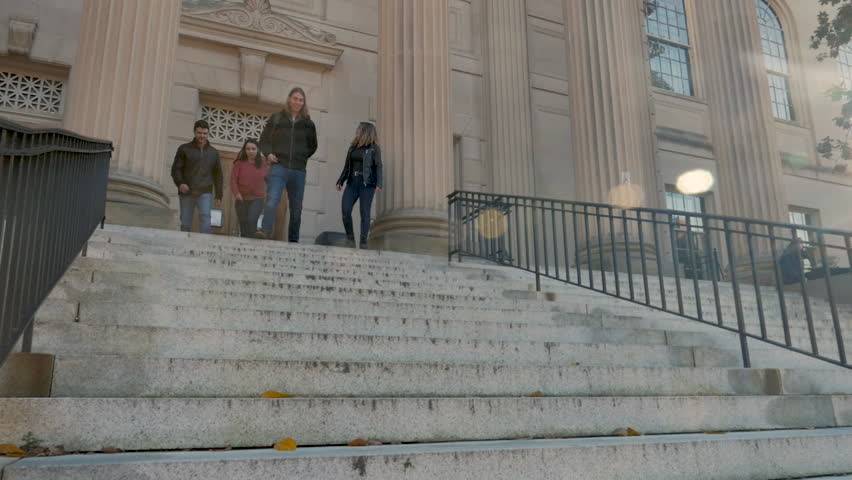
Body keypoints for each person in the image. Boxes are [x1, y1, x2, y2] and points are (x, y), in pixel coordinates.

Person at [257, 87, 318, 242]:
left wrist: (301, 157)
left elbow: (313, 146)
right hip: (279, 166)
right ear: (289, 99)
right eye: (295, 98)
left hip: (298, 171)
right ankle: (265, 231)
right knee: (272, 201)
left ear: (303, 103)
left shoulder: (308, 124)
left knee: (296, 209)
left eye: (301, 100)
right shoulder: (277, 118)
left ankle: (293, 240)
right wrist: (268, 153)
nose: (298, 102)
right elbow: (263, 140)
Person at [335, 122, 382, 249]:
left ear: (366, 132)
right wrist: (340, 181)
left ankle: (363, 242)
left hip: (367, 184)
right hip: (352, 182)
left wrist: (379, 183)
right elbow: (346, 167)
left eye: (359, 129)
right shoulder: (353, 147)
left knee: (364, 213)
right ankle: (350, 239)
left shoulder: (374, 148)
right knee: (345, 210)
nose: (356, 131)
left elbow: (378, 166)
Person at [171, 119, 223, 234]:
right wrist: (180, 183)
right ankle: (184, 245)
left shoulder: (214, 153)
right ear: (194, 132)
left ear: (208, 133)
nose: (202, 136)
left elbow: (218, 175)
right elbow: (176, 169)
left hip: (205, 191)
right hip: (187, 191)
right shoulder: (184, 149)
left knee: (205, 217)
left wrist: (219, 194)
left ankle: (205, 245)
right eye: (199, 133)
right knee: (185, 222)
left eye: (205, 133)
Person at [231, 139, 268, 238]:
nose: (250, 151)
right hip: (241, 199)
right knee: (243, 225)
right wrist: (237, 193)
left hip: (257, 199)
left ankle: (253, 247)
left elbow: (269, 180)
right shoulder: (239, 164)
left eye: (253, 149)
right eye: (248, 149)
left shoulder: (263, 165)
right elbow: (233, 180)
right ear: (244, 150)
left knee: (252, 221)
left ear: (258, 150)